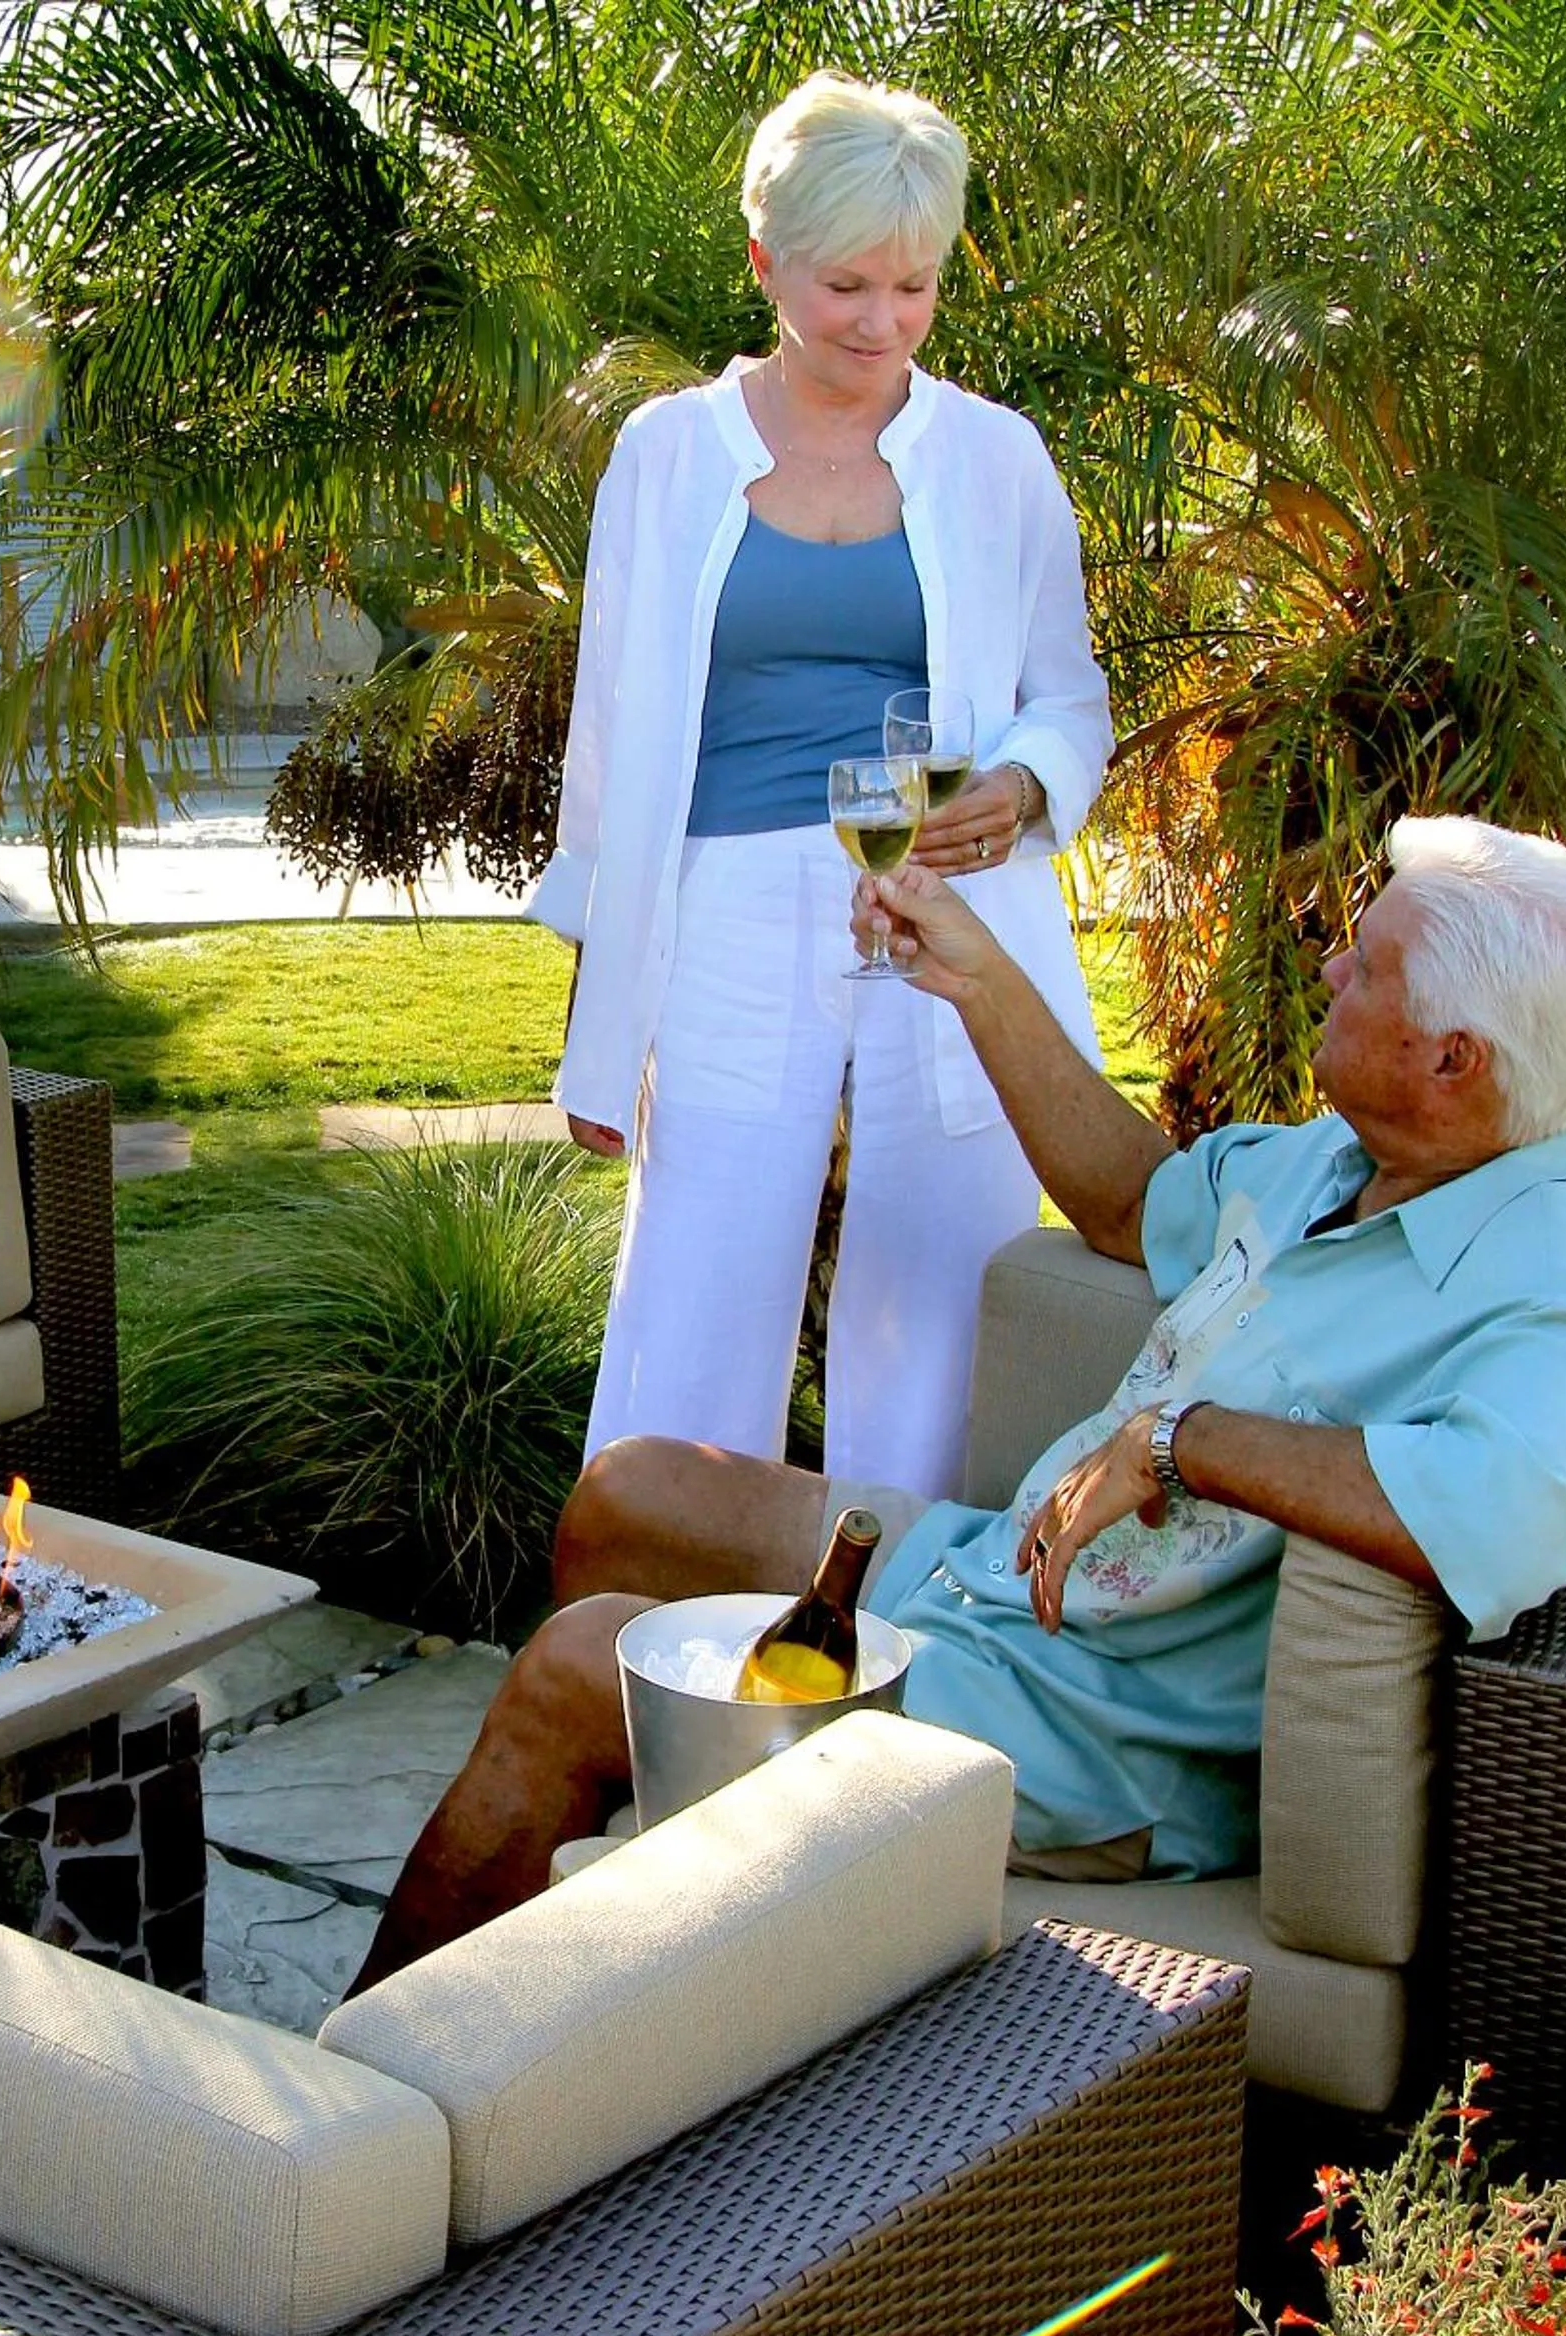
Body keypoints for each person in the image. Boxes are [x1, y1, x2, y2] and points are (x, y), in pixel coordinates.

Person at [350, 816, 1566, 1993]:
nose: (1330, 968)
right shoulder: (1345, 1162)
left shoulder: (1559, 1280)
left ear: (1452, 1058)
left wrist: (1183, 1442)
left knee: (584, 1669)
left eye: (1366, 966)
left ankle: (375, 2103)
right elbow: (1129, 1200)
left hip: (1098, 1731)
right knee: (632, 1494)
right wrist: (974, 973)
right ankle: (626, 1925)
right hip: (989, 1582)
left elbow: (1501, 1519)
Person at [536, 70, 1112, 1502]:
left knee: (949, 1281)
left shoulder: (999, 459)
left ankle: (916, 1606)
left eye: (914, 286)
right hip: (725, 910)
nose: (882, 321)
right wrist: (604, 1015)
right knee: (698, 1281)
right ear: (764, 261)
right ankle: (660, 1592)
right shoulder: (667, 455)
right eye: (846, 284)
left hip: (951, 908)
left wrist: (1024, 786)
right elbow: (609, 733)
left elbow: (1069, 697)